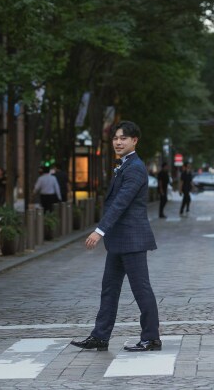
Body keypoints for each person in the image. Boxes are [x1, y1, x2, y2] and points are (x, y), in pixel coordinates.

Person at [72, 121, 161, 353]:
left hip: (132, 239)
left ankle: (151, 338)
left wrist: (99, 230)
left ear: (134, 141)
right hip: (119, 240)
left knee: (141, 289)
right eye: (115, 138)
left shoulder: (135, 167)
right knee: (109, 289)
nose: (118, 142)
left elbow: (121, 202)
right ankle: (100, 336)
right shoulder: (124, 165)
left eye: (123, 138)